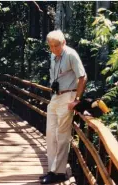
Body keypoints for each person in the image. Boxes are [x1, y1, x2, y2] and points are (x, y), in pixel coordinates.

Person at [40, 30, 87, 184]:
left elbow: (83, 77)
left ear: (64, 43)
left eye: (57, 46)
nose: (54, 49)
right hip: (55, 96)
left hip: (68, 96)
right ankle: (51, 170)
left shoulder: (71, 54)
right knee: (50, 134)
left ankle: (59, 172)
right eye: (51, 46)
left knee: (62, 135)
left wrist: (77, 99)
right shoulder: (53, 56)